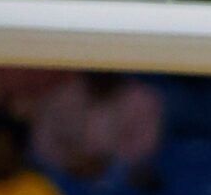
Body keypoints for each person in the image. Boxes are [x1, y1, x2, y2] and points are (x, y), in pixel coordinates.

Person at [31, 72, 164, 186]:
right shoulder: (62, 96)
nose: (102, 73)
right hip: (65, 178)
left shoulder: (143, 100)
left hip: (121, 185)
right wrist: (70, 161)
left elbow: (145, 151)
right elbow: (42, 145)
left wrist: (103, 164)